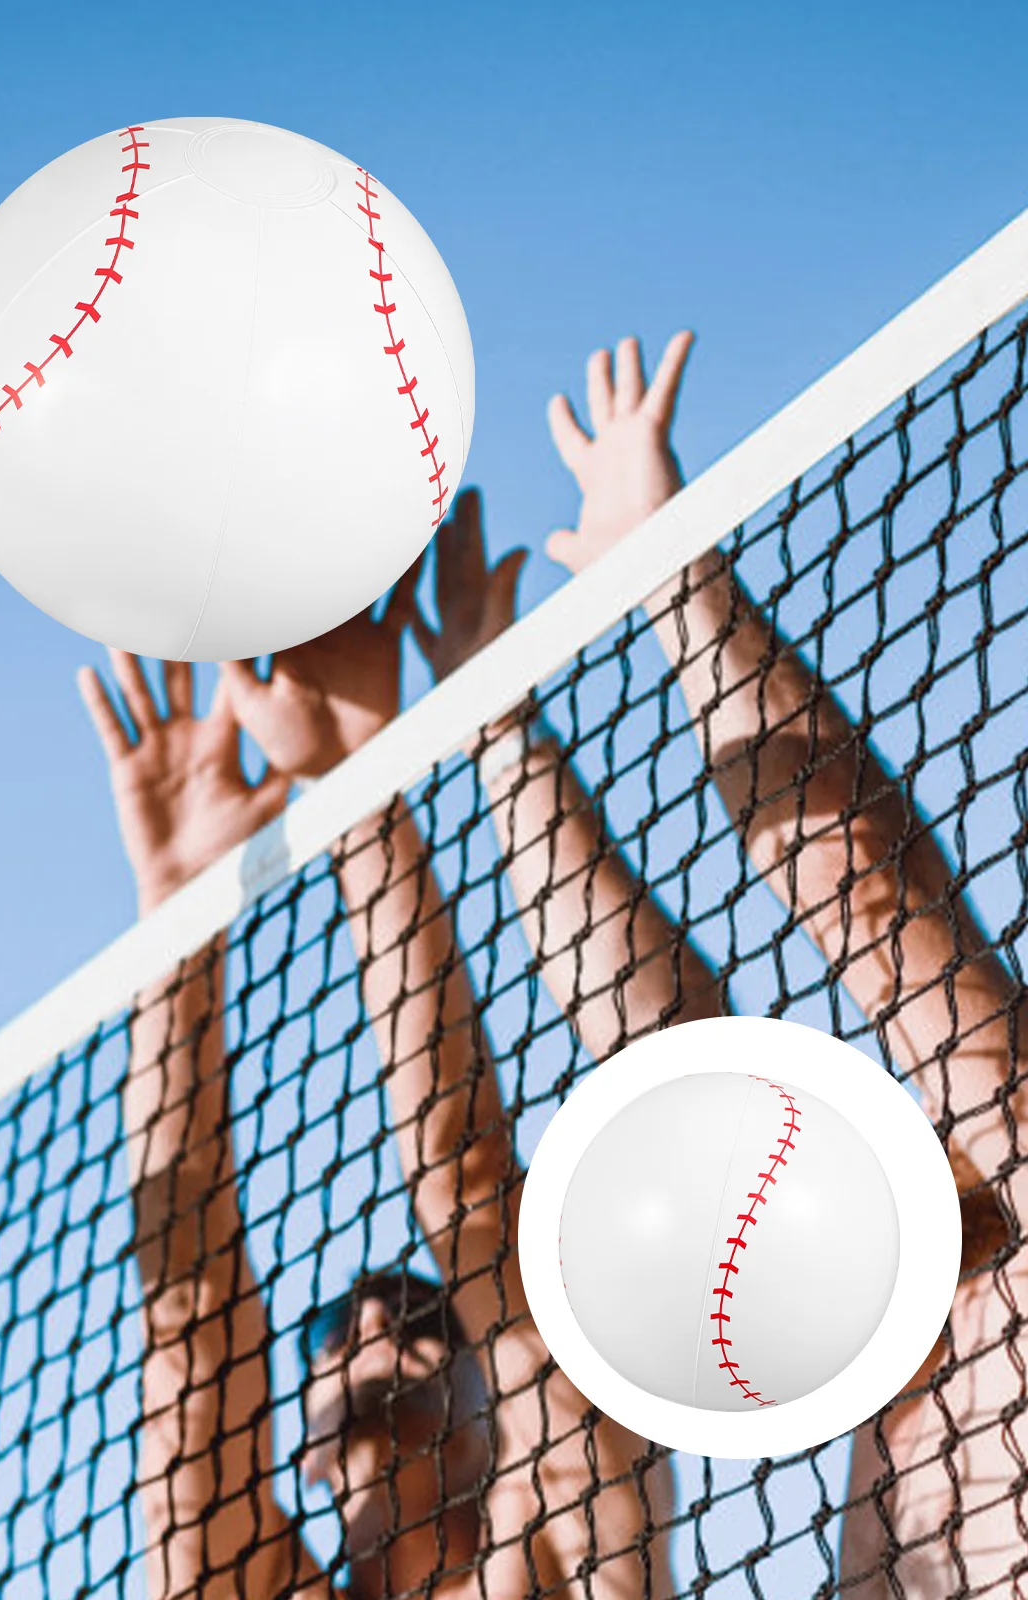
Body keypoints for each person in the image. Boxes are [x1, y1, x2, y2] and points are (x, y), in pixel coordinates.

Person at [78, 336, 724, 1600]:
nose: (377, 1327)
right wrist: (176, 927)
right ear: (308, 1451)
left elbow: (473, 1193)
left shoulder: (570, 1540)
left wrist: (360, 789)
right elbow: (186, 1348)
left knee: (486, 1217)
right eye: (344, 1333)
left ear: (492, 1388)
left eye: (424, 1326)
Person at [531, 333, 1025, 1598]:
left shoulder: (997, 1213)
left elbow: (866, 896)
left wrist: (673, 580)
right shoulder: (887, 1437)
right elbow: (667, 1060)